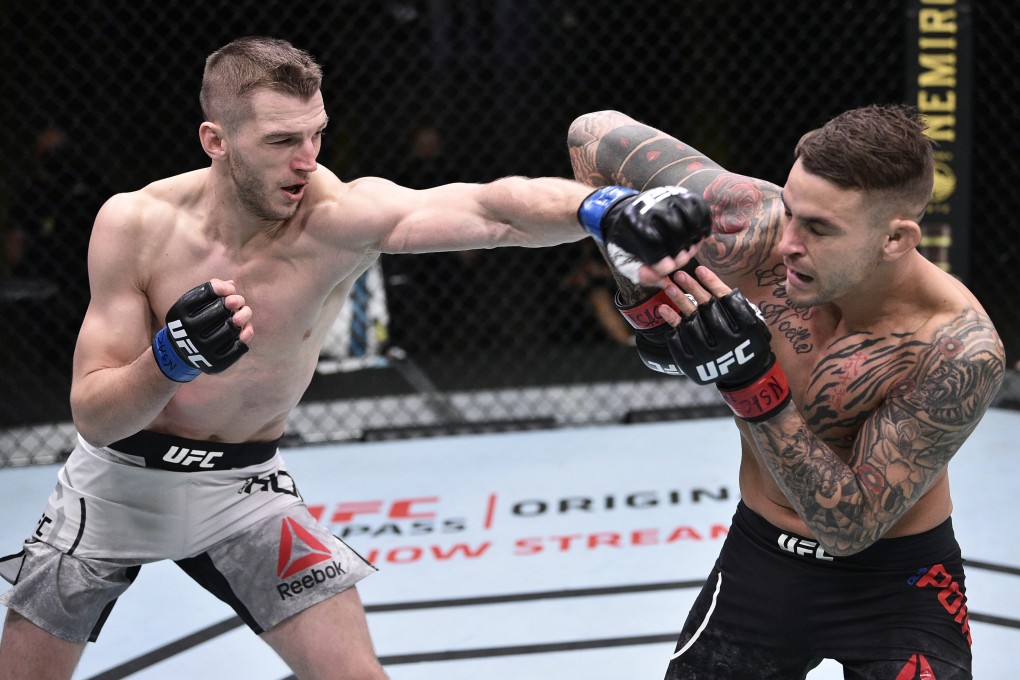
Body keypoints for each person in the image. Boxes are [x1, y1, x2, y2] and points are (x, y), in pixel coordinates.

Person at [0, 37, 709, 680]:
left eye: (316, 135)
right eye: (282, 140)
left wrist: (606, 210)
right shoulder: (136, 225)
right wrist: (169, 362)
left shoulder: (337, 220)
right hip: (115, 488)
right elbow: (94, 417)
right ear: (215, 139)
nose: (306, 161)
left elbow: (496, 210)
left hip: (242, 494)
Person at [567, 105, 1005, 679]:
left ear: (896, 238)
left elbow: (850, 527)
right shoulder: (752, 222)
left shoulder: (955, 348)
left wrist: (750, 381)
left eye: (819, 228)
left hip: (899, 585)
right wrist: (648, 302)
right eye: (792, 210)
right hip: (763, 560)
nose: (789, 241)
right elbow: (591, 136)